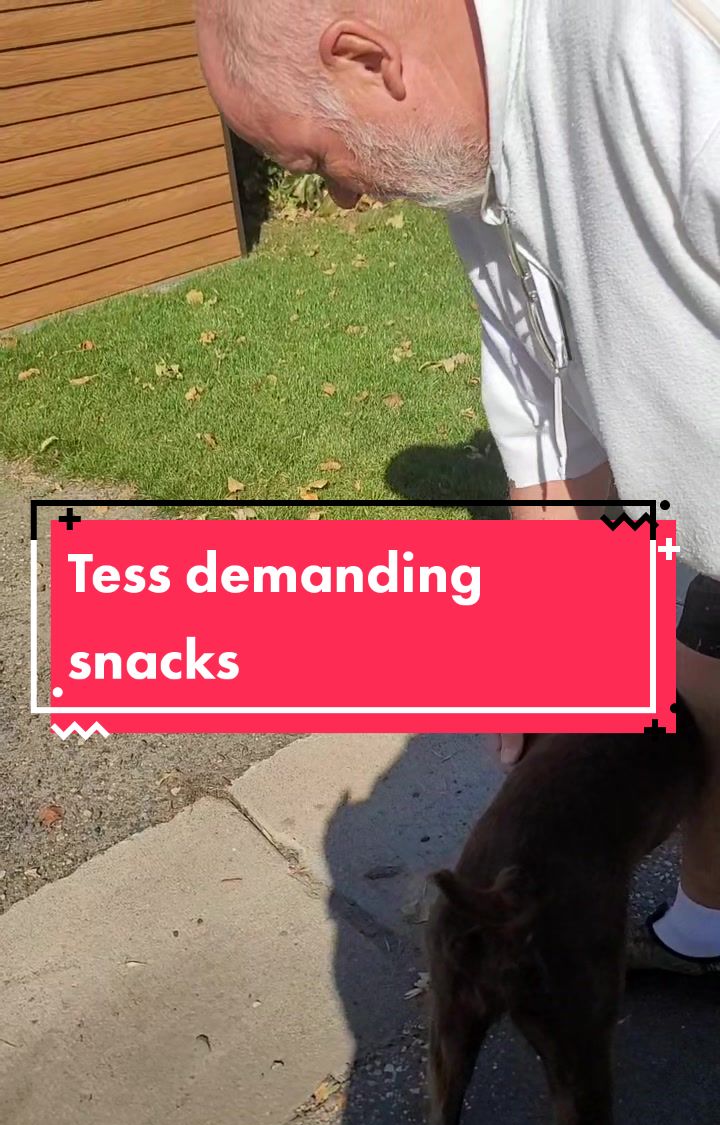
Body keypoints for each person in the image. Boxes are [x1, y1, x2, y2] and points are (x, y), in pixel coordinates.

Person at [195, 0, 720, 971]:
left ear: (368, 59)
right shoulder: (476, 157)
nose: (341, 199)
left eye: (315, 161)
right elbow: (548, 415)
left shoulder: (675, 55)